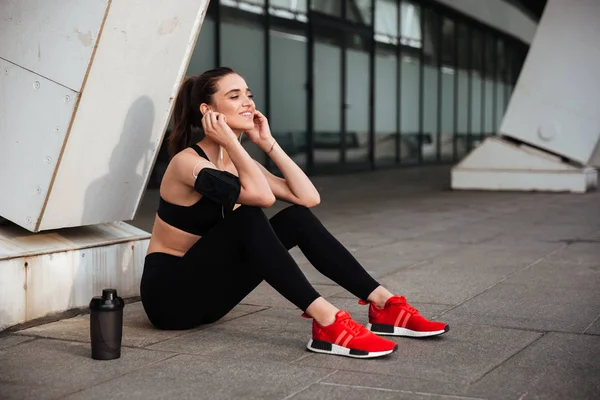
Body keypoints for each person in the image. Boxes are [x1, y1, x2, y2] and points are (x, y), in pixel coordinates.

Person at [140, 67, 448, 359]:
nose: (248, 102)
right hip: (170, 299)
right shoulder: (188, 163)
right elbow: (260, 198)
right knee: (247, 216)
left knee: (296, 218)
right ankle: (326, 321)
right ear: (209, 111)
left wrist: (268, 143)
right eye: (234, 96)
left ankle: (384, 305)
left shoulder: (239, 165)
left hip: (211, 298)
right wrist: (234, 143)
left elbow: (307, 197)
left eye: (248, 94)